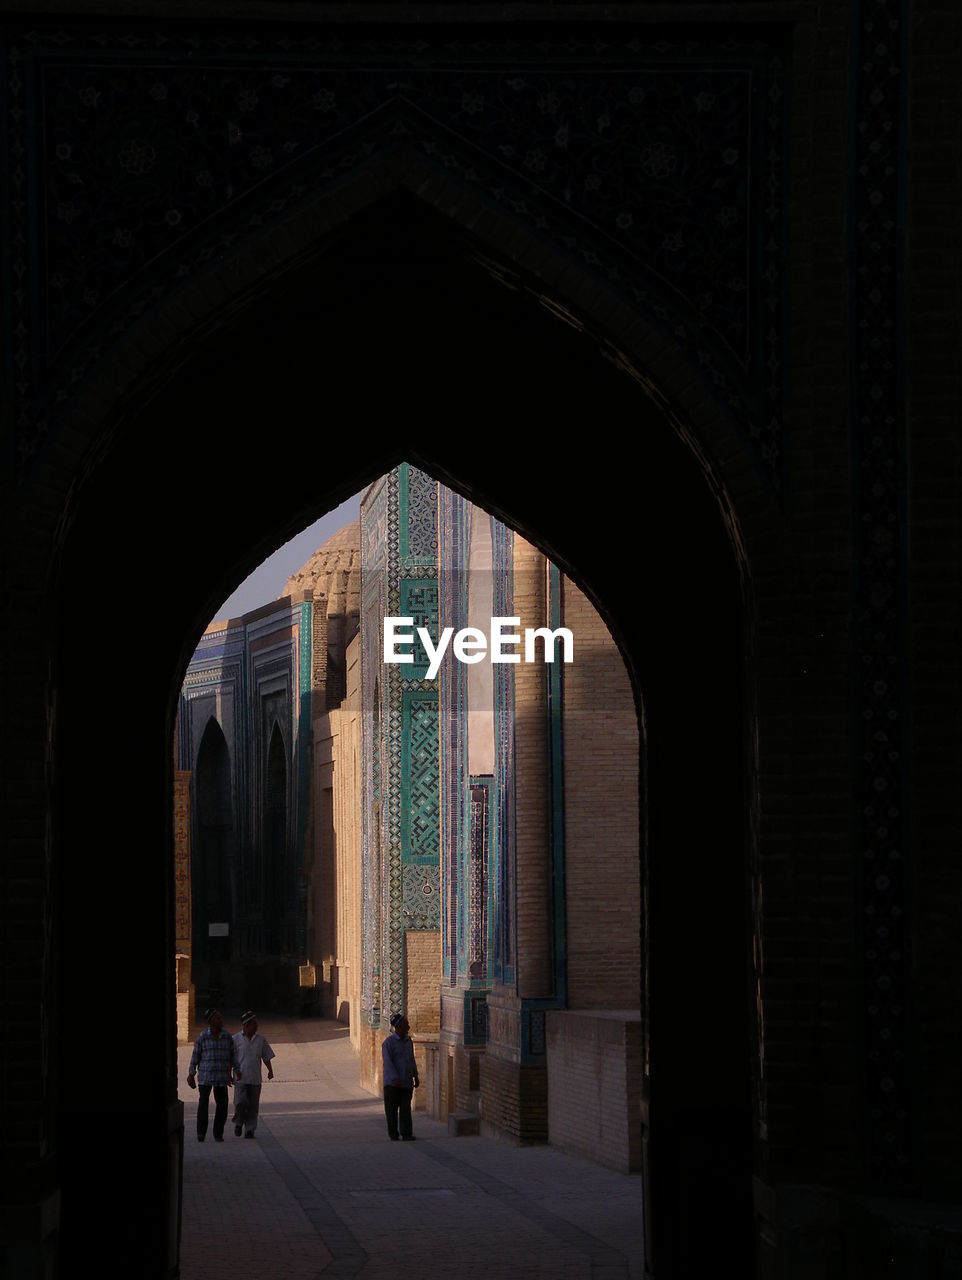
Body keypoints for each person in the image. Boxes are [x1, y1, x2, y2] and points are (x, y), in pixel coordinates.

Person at [186, 1008, 239, 1142]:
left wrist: (237, 1070)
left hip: (221, 1077)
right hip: (206, 1076)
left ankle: (218, 1133)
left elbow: (233, 1055)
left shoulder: (227, 1036)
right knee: (203, 1103)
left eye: (221, 1018)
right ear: (210, 1021)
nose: (221, 1021)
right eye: (218, 1018)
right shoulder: (203, 1037)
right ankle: (201, 1133)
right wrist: (191, 1074)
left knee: (222, 1105)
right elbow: (195, 1056)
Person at [231, 1011, 275, 1138]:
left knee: (253, 1106)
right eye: (254, 1024)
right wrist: (228, 1073)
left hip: (255, 1079)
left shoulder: (261, 1040)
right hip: (240, 1078)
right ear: (247, 1025)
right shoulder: (235, 1039)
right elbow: (231, 1058)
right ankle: (239, 1122)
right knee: (240, 1102)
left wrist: (270, 1071)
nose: (257, 1026)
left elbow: (266, 1057)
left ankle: (250, 1129)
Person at [381, 1012, 419, 1141]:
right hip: (393, 1084)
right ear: (399, 1027)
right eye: (406, 1024)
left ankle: (406, 1133)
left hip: (406, 1081)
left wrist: (415, 1075)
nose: (408, 1027)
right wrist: (394, 1078)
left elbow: (411, 1059)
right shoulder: (388, 1043)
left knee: (405, 1109)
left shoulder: (408, 1041)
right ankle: (393, 1133)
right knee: (391, 1110)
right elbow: (388, 1062)